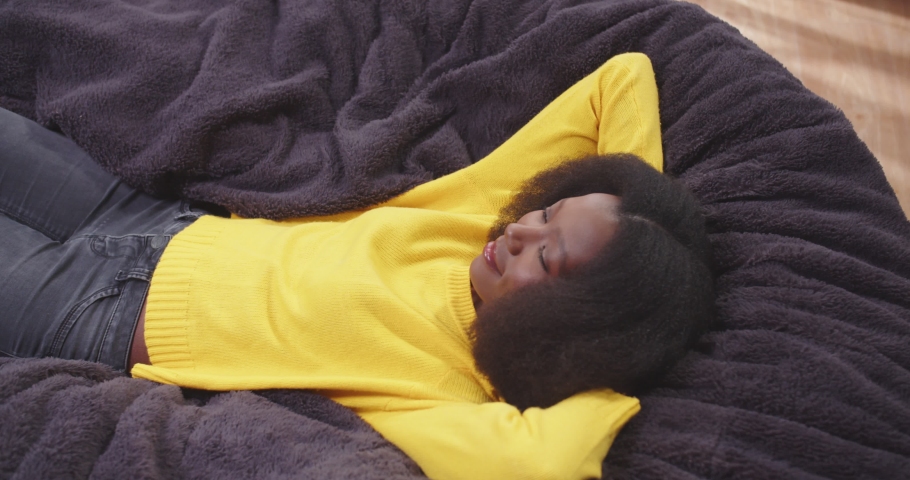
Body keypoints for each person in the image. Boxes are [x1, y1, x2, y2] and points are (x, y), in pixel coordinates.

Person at [0, 53, 714, 480]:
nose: (522, 231)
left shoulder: (455, 395)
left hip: (96, 311)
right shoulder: (476, 226)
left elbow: (547, 467)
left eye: (549, 254)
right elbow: (622, 79)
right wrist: (638, 226)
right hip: (152, 220)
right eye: (549, 213)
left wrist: (610, 366)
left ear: (574, 325)